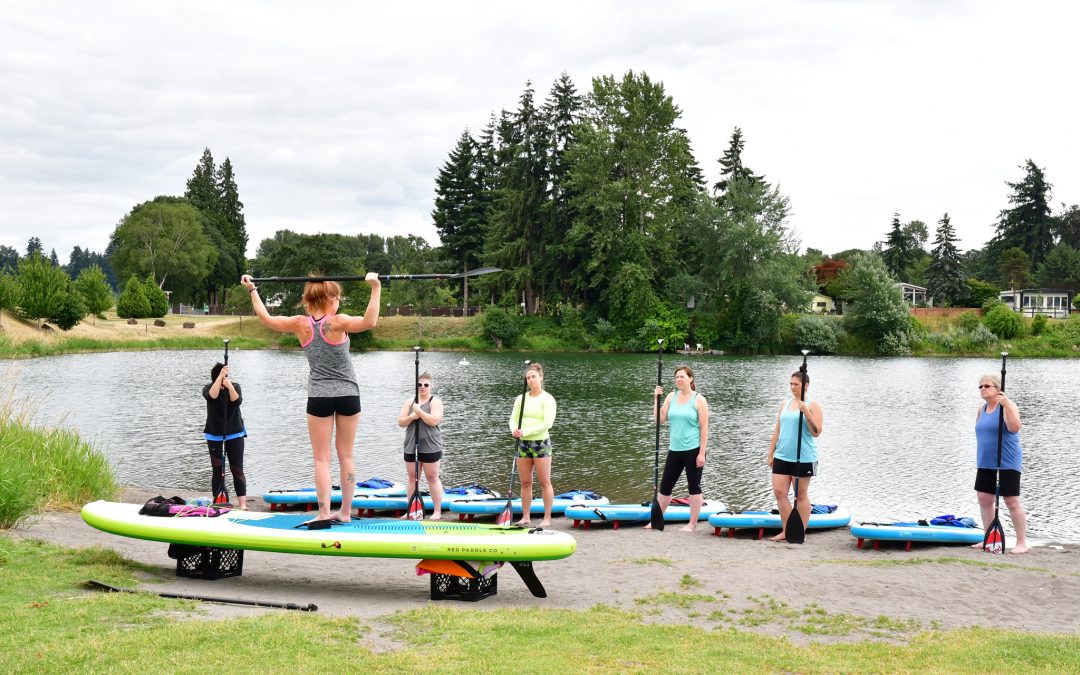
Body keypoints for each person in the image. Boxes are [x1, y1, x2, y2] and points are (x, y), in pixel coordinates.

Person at [240, 271, 381, 524]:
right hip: (349, 394)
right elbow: (370, 322)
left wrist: (252, 289)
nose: (339, 302)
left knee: (321, 458)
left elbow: (265, 318)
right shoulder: (337, 322)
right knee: (346, 456)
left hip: (319, 397)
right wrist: (375, 287)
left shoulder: (300, 324)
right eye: (337, 298)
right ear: (329, 299)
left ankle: (325, 513)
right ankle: (346, 513)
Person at [973, 373, 1029, 554]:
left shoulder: (1007, 406)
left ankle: (1021, 543)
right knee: (984, 499)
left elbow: (1015, 428)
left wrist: (1007, 406)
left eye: (986, 386)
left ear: (997, 389)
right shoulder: (981, 409)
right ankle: (988, 537)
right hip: (985, 461)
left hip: (1007, 460)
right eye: (980, 386)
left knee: (1011, 501)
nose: (982, 389)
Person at [766, 369, 823, 542]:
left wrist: (806, 412)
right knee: (779, 492)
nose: (792, 387)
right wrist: (771, 454)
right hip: (782, 455)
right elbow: (777, 430)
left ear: (806, 385)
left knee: (800, 494)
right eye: (791, 384)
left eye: (796, 384)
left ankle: (799, 532)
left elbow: (817, 432)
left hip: (804, 457)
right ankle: (787, 530)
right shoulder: (785, 403)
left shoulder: (813, 405)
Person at [651, 365, 709, 532]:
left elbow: (704, 428)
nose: (678, 379)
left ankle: (692, 524)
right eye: (676, 377)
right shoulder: (670, 396)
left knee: (694, 487)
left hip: (693, 449)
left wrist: (701, 453)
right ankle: (656, 520)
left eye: (682, 376)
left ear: (690, 379)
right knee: (665, 487)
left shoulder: (699, 399)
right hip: (674, 450)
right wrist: (656, 399)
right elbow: (658, 420)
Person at [509, 362, 557, 528]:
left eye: (533, 377)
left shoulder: (547, 399)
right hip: (523, 444)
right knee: (525, 482)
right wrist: (514, 430)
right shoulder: (520, 398)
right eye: (528, 378)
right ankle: (526, 517)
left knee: (544, 482)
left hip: (540, 443)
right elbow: (513, 419)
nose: (530, 380)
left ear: (541, 377)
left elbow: (547, 423)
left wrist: (526, 432)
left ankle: (547, 518)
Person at [397, 371, 445, 519]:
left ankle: (437, 511)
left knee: (432, 477)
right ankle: (411, 509)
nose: (422, 387)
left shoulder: (435, 402)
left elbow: (433, 421)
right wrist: (412, 415)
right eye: (420, 384)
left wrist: (419, 411)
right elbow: (401, 422)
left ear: (431, 386)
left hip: (431, 444)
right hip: (411, 444)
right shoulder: (410, 402)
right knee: (412, 478)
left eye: (426, 385)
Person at [203, 361, 247, 509]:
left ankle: (242, 504)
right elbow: (212, 396)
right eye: (221, 377)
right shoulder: (208, 388)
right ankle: (218, 502)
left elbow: (237, 401)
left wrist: (228, 386)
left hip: (235, 433)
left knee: (237, 469)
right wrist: (219, 379)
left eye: (225, 377)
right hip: (214, 434)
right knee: (217, 469)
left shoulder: (235, 386)